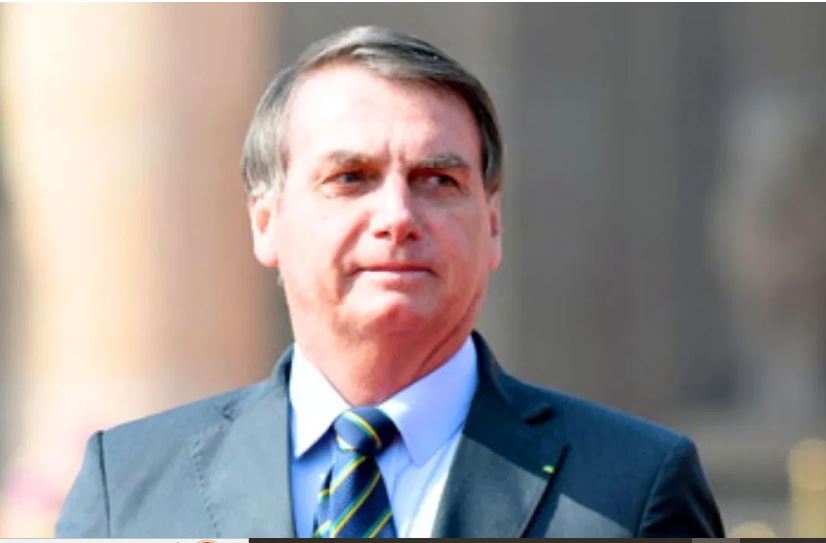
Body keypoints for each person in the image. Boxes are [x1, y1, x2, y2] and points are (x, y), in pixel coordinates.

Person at [56, 26, 724, 538]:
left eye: (439, 180)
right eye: (351, 178)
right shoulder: (132, 484)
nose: (398, 217)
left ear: (493, 224)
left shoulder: (634, 488)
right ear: (266, 221)